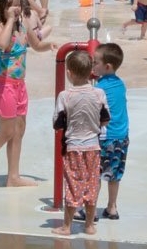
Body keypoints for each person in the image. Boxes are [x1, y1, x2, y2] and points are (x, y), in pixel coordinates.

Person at [0, 0, 55, 189]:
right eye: (12, 5)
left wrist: (51, 46)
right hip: (3, 84)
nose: (16, 8)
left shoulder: (24, 25)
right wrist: (10, 20)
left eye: (18, 4)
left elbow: (36, 44)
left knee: (19, 130)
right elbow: (1, 44)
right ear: (2, 8)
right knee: (6, 131)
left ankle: (13, 176)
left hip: (19, 85)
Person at [51, 50, 109, 236]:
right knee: (92, 184)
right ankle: (89, 226)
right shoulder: (99, 93)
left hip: (74, 148)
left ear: (69, 73)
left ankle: (67, 226)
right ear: (91, 70)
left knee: (73, 185)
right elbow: (105, 119)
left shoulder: (65, 96)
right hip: (94, 147)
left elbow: (57, 123)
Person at [78, 43, 129, 222]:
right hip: (121, 137)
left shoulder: (100, 89)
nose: (92, 65)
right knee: (114, 175)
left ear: (107, 67)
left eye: (95, 62)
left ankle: (90, 209)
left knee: (95, 174)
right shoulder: (120, 85)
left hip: (105, 138)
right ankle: (112, 207)